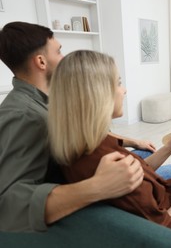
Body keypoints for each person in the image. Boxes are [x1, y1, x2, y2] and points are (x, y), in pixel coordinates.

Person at [48, 50, 171, 237]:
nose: (124, 90)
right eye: (118, 83)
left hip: (164, 196)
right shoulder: (106, 161)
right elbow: (166, 228)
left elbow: (138, 171)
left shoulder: (87, 143)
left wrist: (170, 147)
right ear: (97, 95)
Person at [0, 22, 147, 232]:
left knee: (145, 155)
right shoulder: (24, 116)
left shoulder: (48, 101)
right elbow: (8, 205)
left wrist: (132, 141)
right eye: (59, 51)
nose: (64, 57)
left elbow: (83, 130)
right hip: (89, 202)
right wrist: (96, 187)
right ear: (41, 61)